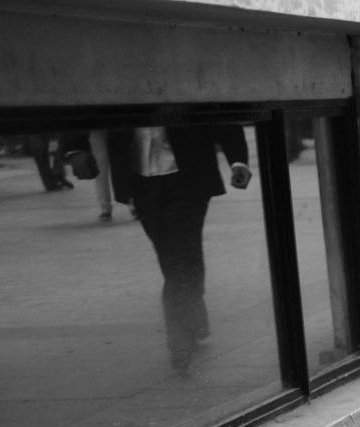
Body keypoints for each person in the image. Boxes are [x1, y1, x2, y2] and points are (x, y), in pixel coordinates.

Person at [106, 124, 252, 373]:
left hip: (188, 175)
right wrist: (75, 146)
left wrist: (238, 159)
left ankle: (179, 335)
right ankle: (192, 311)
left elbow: (216, 107)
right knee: (172, 254)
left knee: (180, 254)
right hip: (141, 180)